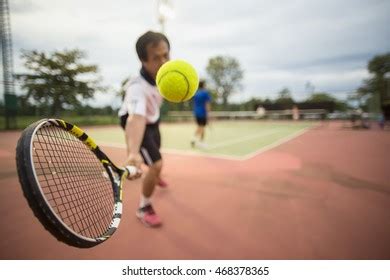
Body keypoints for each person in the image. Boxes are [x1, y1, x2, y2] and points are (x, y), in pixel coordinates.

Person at [118, 31, 170, 227]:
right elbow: (135, 119)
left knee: (156, 156)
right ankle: (144, 207)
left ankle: (155, 176)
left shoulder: (165, 76)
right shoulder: (136, 87)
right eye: (156, 57)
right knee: (156, 163)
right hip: (136, 121)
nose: (163, 61)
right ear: (143, 60)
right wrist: (132, 152)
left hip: (152, 120)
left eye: (166, 55)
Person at [191, 80, 211, 148]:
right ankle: (200, 141)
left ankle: (194, 139)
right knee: (202, 127)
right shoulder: (205, 93)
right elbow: (207, 104)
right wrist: (208, 114)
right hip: (202, 113)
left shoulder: (196, 94)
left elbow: (194, 104)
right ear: (204, 85)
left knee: (200, 126)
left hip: (196, 112)